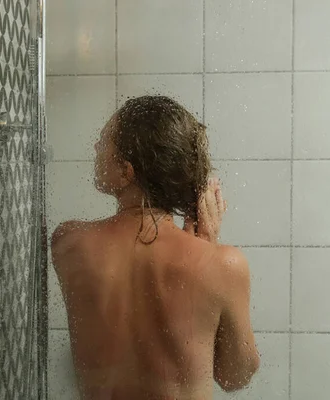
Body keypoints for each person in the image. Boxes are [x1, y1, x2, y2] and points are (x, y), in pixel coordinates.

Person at [51, 96, 260, 400]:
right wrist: (207, 248)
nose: (95, 148)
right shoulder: (222, 264)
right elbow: (234, 376)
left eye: (103, 141)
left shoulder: (69, 242)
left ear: (126, 171)